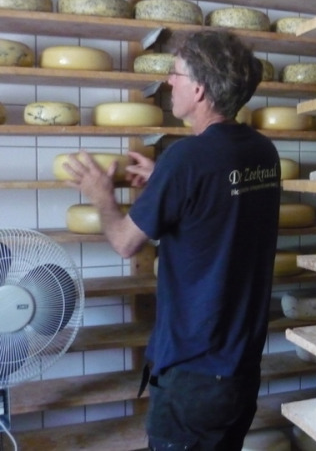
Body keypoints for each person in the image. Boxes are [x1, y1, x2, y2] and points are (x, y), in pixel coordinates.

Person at [64, 30, 281, 450]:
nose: (169, 81)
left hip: (193, 371)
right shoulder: (262, 151)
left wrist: (102, 195)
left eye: (175, 73)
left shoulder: (186, 159)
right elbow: (217, 204)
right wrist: (164, 181)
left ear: (199, 90)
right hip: (240, 365)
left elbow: (125, 242)